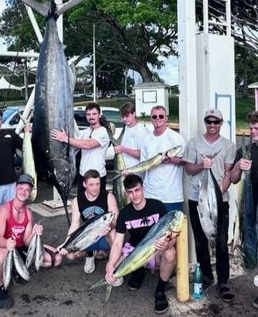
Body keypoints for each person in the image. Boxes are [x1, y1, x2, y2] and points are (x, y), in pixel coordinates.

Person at [183, 108, 236, 302]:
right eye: (209, 121)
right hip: (197, 200)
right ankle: (206, 276)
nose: (212, 125)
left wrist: (216, 193)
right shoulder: (194, 143)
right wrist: (202, 166)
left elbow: (229, 173)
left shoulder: (229, 145)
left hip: (218, 201)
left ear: (221, 123)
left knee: (221, 242)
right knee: (200, 241)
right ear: (205, 122)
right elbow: (189, 169)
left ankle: (223, 282)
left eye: (216, 122)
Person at [105, 174, 176, 314]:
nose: (135, 195)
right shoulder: (125, 213)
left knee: (170, 252)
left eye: (137, 190)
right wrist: (110, 265)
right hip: (134, 250)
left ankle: (160, 291)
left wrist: (167, 244)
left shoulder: (157, 206)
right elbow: (118, 243)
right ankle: (139, 269)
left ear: (143, 189)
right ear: (126, 193)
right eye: (130, 192)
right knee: (113, 275)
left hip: (156, 249)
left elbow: (173, 232)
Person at [0, 173, 62, 309]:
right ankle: (0, 288)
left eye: (27, 190)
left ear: (30, 194)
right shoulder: (3, 210)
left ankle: (17, 270)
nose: (24, 192)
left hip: (20, 249)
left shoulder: (29, 213)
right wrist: (7, 243)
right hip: (3, 249)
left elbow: (27, 242)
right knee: (1, 255)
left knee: (56, 259)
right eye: (21, 188)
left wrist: (35, 233)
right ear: (16, 188)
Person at [0, 108, 31, 261]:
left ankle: (13, 249)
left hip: (11, 184)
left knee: (12, 217)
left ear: (2, 119)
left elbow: (26, 146)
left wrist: (27, 132)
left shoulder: (9, 134)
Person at [57, 169, 119, 274]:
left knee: (114, 235)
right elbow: (75, 224)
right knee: (70, 255)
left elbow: (116, 221)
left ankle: (114, 267)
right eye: (91, 185)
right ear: (84, 184)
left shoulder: (108, 196)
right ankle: (90, 254)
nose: (95, 188)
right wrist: (65, 243)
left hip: (104, 235)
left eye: (97, 184)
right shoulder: (77, 200)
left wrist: (110, 227)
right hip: (88, 236)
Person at [230, 110, 258, 309]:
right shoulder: (245, 151)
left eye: (257, 128)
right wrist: (239, 166)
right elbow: (233, 178)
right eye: (251, 128)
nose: (253, 131)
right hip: (250, 209)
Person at [51, 103, 110, 192]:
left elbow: (87, 145)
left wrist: (65, 138)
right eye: (88, 114)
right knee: (82, 204)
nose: (91, 117)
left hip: (97, 177)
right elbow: (75, 144)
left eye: (94, 114)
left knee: (97, 205)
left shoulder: (103, 132)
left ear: (99, 115)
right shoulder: (85, 132)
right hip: (83, 175)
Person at [141, 105, 186, 212]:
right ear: (151, 119)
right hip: (150, 194)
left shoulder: (176, 137)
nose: (157, 119)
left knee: (173, 228)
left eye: (161, 116)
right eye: (154, 117)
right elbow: (143, 164)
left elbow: (185, 161)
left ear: (166, 118)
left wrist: (169, 160)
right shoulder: (146, 139)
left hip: (171, 196)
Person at [114, 102, 150, 177]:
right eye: (123, 117)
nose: (124, 119)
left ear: (134, 114)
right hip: (124, 174)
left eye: (127, 116)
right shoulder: (125, 129)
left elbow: (144, 155)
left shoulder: (143, 131)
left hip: (137, 175)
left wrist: (124, 149)